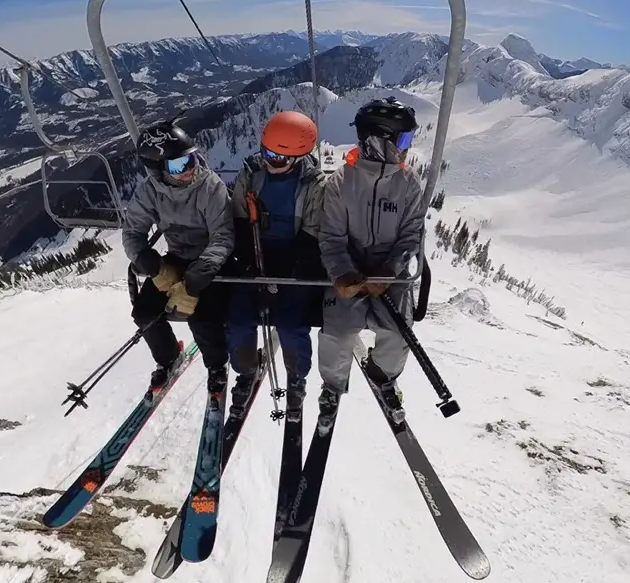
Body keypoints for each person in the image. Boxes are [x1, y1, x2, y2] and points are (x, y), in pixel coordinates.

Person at [315, 97, 425, 435]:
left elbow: (411, 238)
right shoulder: (341, 182)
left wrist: (391, 272)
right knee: (337, 330)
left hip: (389, 274)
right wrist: (342, 273)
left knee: (397, 330)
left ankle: (384, 377)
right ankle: (332, 386)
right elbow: (331, 237)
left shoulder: (408, 185)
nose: (408, 149)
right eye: (403, 141)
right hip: (350, 269)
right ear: (380, 141)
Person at [224, 110, 327, 420]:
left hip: (295, 264)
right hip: (256, 259)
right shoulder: (252, 175)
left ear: (298, 157)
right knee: (238, 321)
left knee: (291, 324)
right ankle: (246, 370)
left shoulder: (313, 186)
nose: (271, 161)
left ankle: (296, 377)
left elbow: (311, 239)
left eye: (280, 158)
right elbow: (240, 223)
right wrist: (252, 269)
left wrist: (280, 279)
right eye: (267, 153)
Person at [123, 120, 234, 398]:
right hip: (176, 259)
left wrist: (196, 279)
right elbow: (132, 231)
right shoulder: (149, 191)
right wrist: (151, 265)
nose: (189, 169)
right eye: (177, 166)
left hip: (211, 263)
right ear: (158, 170)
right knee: (145, 313)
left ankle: (217, 365)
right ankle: (168, 356)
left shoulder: (209, 186)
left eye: (191, 159)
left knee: (200, 314)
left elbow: (223, 236)